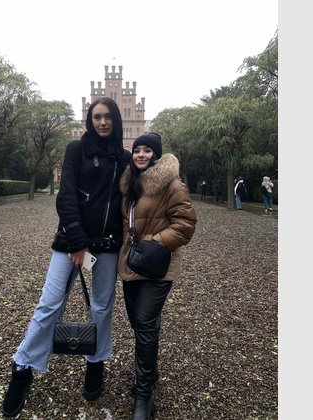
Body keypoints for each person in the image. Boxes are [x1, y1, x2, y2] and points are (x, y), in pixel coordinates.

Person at [1, 97, 131, 417]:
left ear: (116, 120)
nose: (102, 122)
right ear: (90, 120)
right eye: (96, 117)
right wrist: (76, 241)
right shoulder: (76, 149)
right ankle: (23, 366)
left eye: (107, 117)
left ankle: (95, 361)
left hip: (107, 244)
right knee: (49, 303)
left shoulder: (124, 157)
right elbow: (67, 196)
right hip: (72, 242)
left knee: (102, 306)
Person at [117, 133, 197, 419]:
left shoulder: (172, 184)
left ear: (156, 155)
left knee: (145, 323)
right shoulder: (129, 184)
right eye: (137, 150)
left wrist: (155, 244)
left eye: (147, 150)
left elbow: (185, 223)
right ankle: (149, 371)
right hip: (131, 265)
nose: (141, 155)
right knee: (140, 325)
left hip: (158, 266)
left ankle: (143, 394)